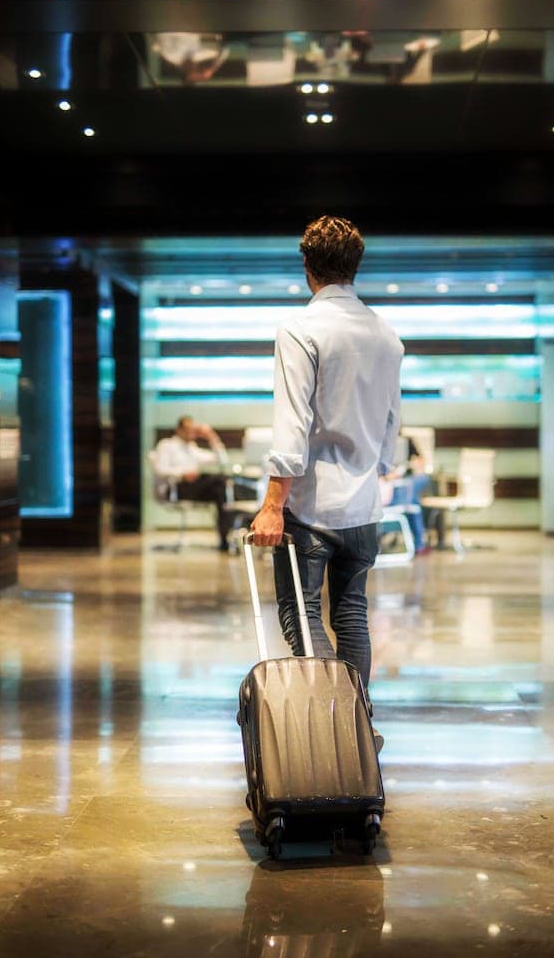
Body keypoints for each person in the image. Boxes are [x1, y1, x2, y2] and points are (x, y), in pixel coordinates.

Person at [250, 215, 404, 749]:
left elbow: (291, 426)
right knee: (353, 615)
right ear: (355, 267)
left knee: (301, 613)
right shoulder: (387, 336)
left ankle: (333, 726)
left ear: (308, 268)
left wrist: (272, 505)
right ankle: (358, 723)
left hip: (310, 508)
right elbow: (390, 428)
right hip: (364, 507)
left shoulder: (301, 330)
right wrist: (374, 469)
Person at [151, 415, 231, 551]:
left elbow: (222, 460)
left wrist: (211, 436)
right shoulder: (167, 445)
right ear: (179, 430)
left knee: (221, 490)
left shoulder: (192, 448)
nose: (191, 433)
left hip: (193, 487)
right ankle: (240, 523)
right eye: (188, 429)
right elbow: (159, 469)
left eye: (193, 430)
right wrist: (182, 473)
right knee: (219, 481)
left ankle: (224, 539)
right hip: (175, 488)